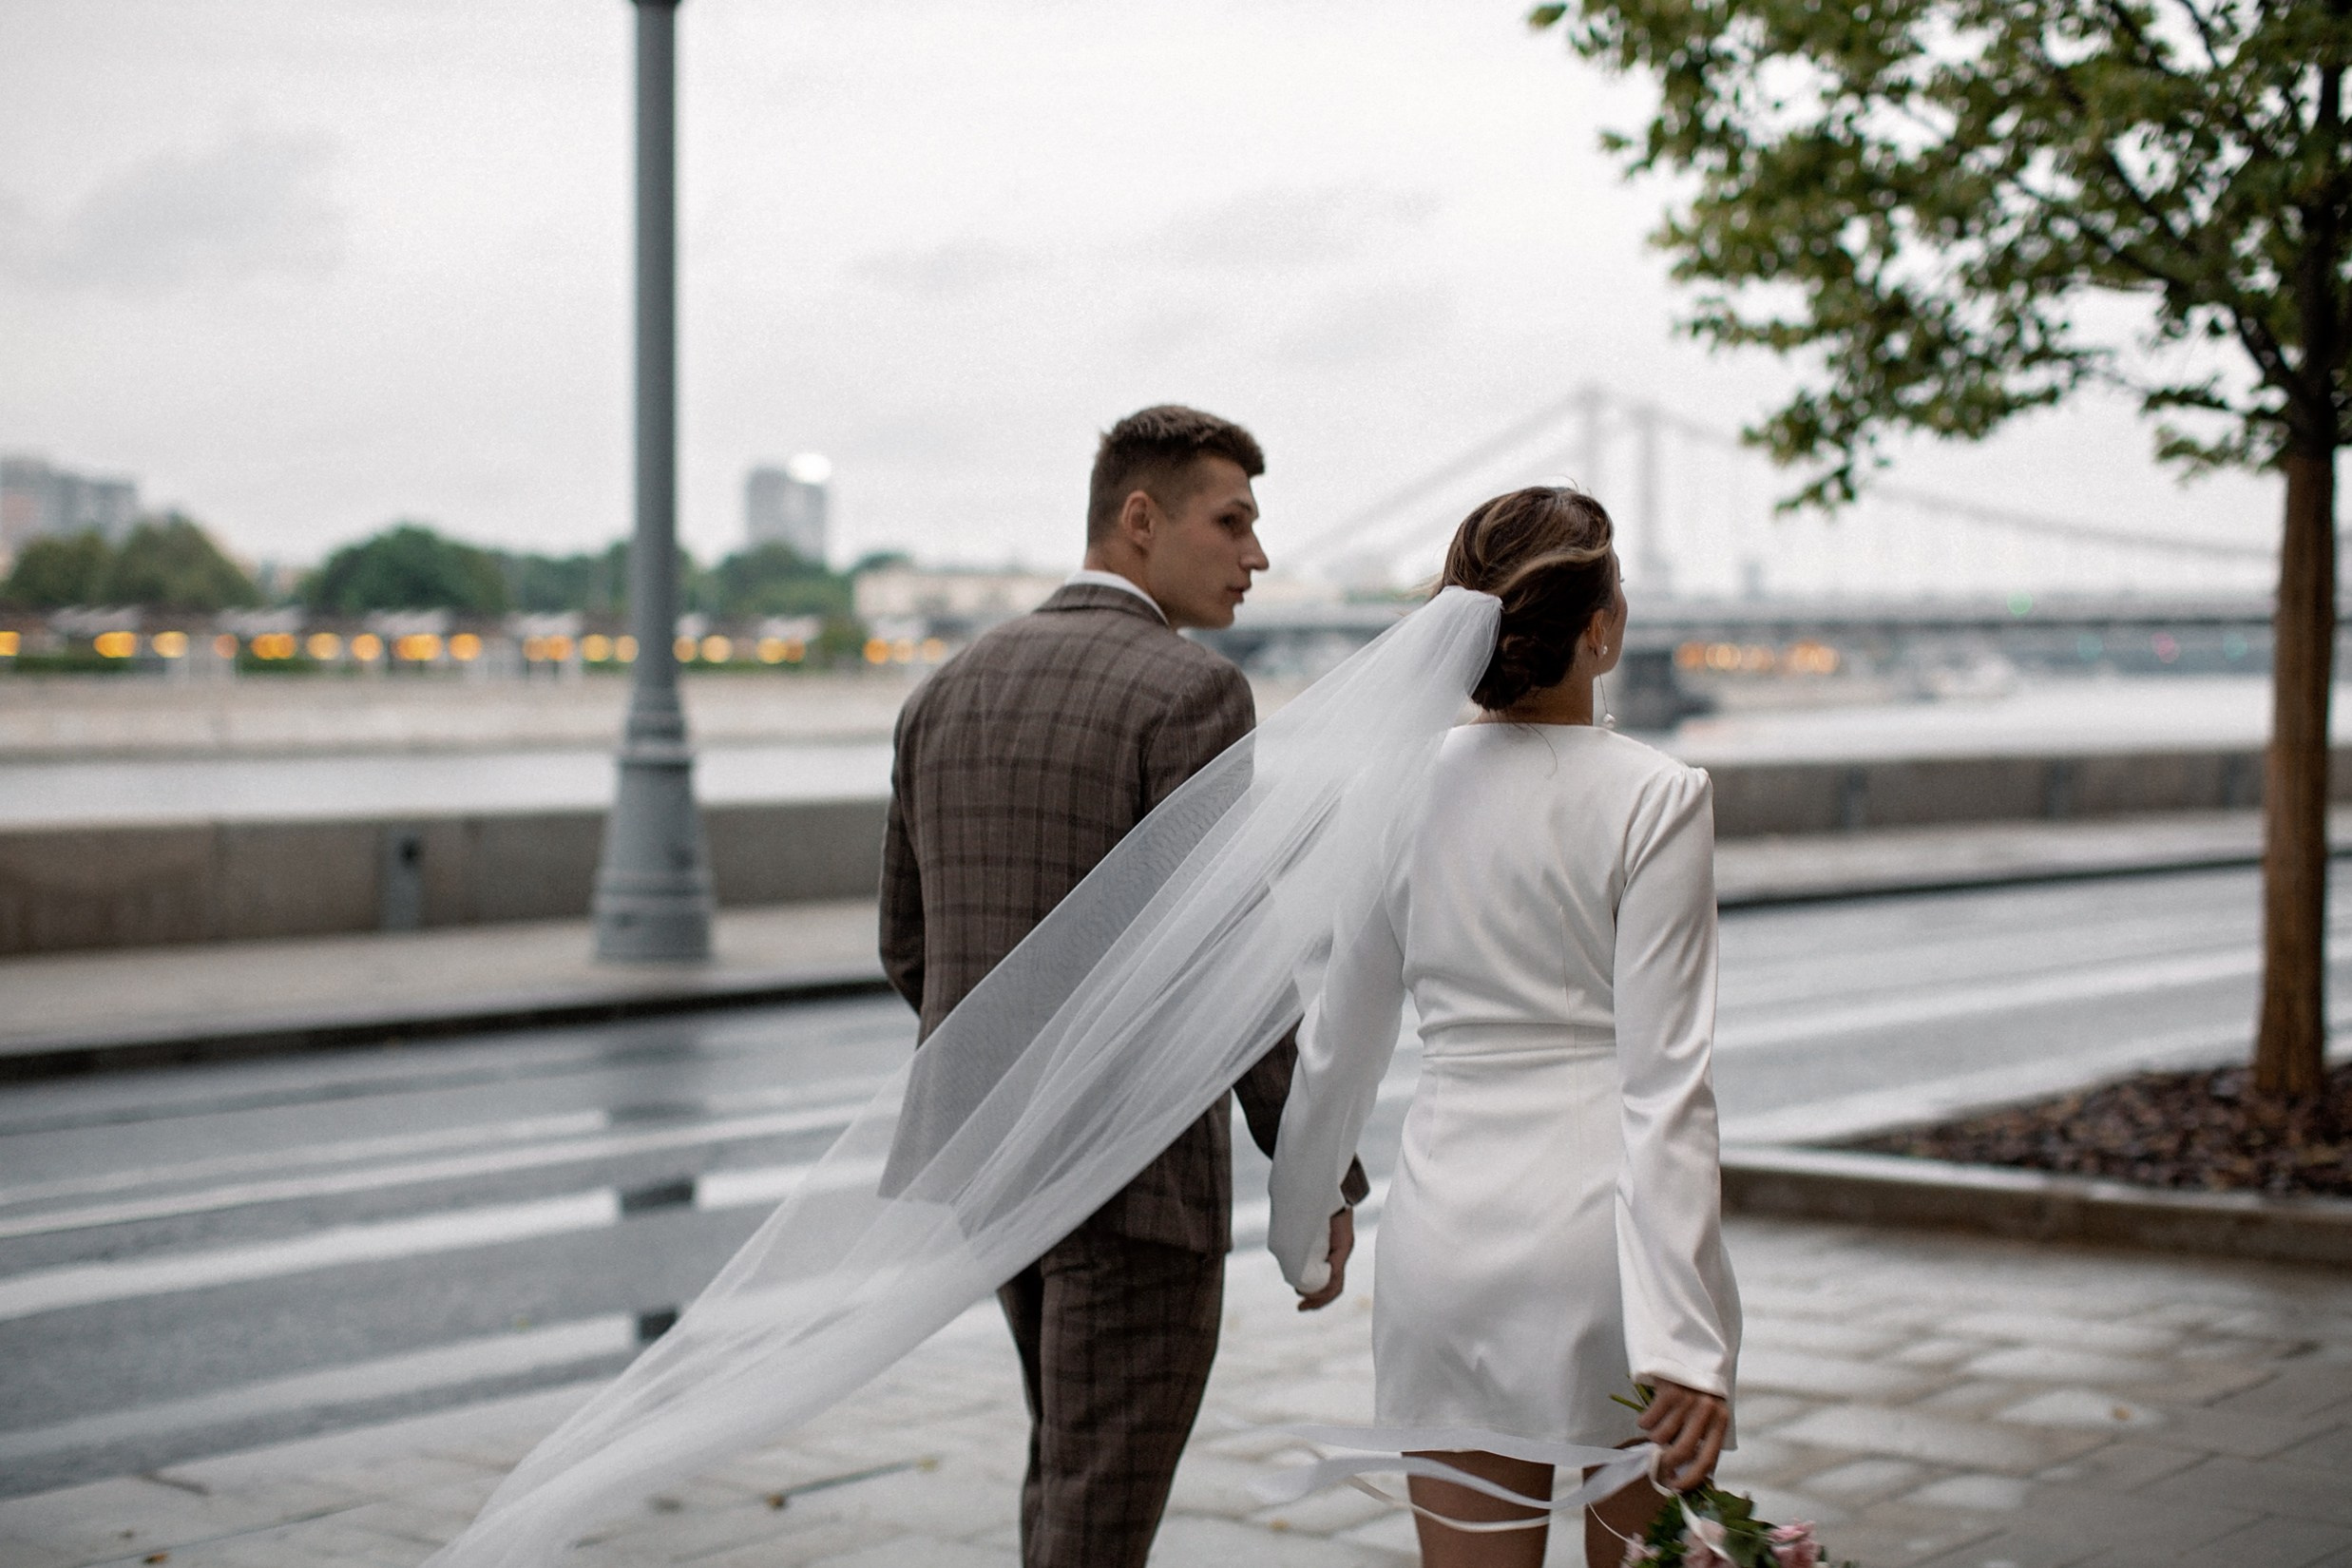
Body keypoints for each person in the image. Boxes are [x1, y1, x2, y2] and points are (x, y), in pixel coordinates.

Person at [880, 404, 1366, 1568]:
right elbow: (1230, 959)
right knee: (1101, 1507)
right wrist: (1317, 1169)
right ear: (1139, 519)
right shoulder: (1189, 692)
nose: (1257, 556)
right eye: (1232, 522)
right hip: (1135, 1180)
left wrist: (1017, 1075)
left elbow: (909, 945)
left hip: (994, 1168)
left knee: (1067, 1469)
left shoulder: (947, 688)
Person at [1267, 486, 1742, 1568]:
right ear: (1602, 630)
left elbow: (1341, 1041)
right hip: (1602, 1248)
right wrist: (1683, 1339)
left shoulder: (1394, 790)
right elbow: (1665, 1086)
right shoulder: (1658, 795)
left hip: (1445, 1238)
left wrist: (1305, 1216)